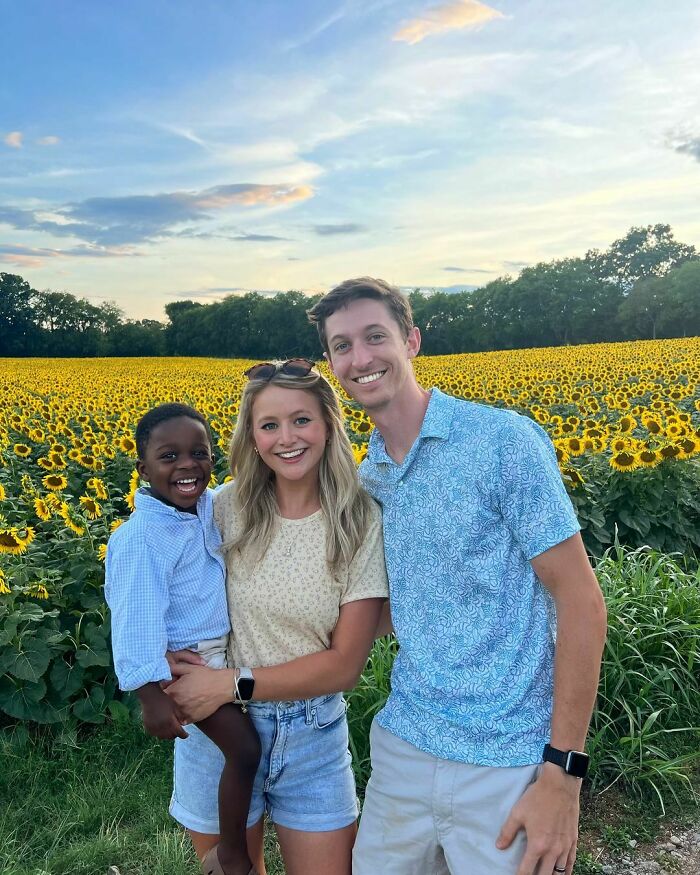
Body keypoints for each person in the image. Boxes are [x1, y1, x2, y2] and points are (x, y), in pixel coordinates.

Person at [307, 278, 608, 875]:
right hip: (405, 745)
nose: (360, 358)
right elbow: (399, 607)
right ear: (332, 363)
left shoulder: (501, 441)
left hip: (510, 759)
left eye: (375, 337)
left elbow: (580, 602)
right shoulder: (369, 480)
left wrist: (563, 773)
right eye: (342, 346)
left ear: (412, 340)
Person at [164, 360, 389, 875]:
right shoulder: (220, 509)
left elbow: (344, 665)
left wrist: (230, 684)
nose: (286, 438)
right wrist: (153, 649)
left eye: (301, 420)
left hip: (311, 731)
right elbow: (153, 571)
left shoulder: (358, 521)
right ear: (252, 435)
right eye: (269, 425)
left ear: (329, 424)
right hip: (217, 731)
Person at [105, 403, 261, 875]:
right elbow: (133, 619)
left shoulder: (205, 507)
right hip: (185, 670)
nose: (187, 464)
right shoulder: (143, 537)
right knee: (244, 749)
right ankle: (232, 852)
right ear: (143, 468)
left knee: (240, 753)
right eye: (168, 456)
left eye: (199, 452)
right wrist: (151, 696)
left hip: (218, 658)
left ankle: (235, 846)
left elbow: (248, 483)